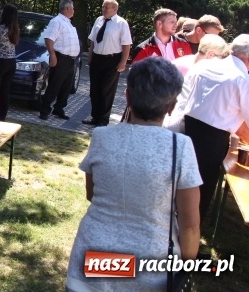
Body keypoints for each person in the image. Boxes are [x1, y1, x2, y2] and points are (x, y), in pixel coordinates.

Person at [66, 58, 201, 292]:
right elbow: (190, 224)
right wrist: (187, 269)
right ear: (171, 106)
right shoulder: (181, 146)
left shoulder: (101, 137)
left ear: (127, 97)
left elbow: (92, 194)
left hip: (95, 253)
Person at [172, 33, 249, 222]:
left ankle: (170, 229)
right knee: (198, 192)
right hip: (211, 142)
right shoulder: (241, 78)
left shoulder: (205, 65)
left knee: (176, 183)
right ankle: (187, 240)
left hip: (183, 129)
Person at [83, 0, 132, 127]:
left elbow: (126, 44)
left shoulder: (121, 23)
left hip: (112, 59)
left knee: (106, 90)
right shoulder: (99, 20)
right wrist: (90, 57)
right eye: (103, 7)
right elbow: (93, 40)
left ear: (115, 9)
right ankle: (95, 116)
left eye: (107, 7)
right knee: (94, 89)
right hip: (97, 58)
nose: (104, 9)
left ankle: (103, 120)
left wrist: (123, 62)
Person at [39, 0, 80, 121]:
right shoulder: (57, 21)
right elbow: (49, 39)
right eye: (72, 8)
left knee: (66, 86)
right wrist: (53, 55)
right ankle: (44, 110)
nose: (74, 11)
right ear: (67, 9)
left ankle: (59, 108)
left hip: (70, 60)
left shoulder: (68, 22)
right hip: (61, 58)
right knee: (55, 85)